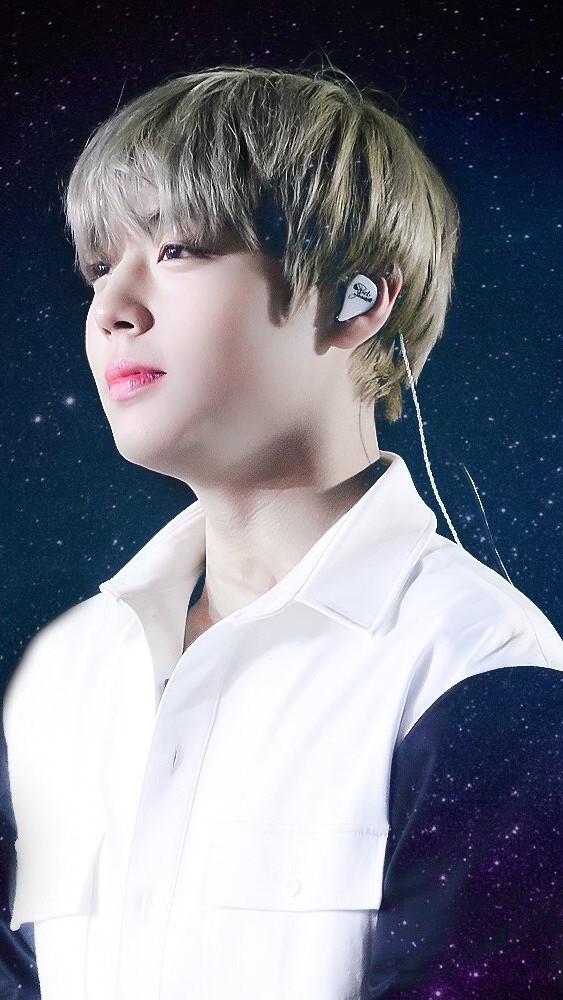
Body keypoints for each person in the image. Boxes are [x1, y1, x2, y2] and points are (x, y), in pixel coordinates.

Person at [3, 67, 563, 1000]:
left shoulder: (481, 676)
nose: (110, 308)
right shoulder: (65, 675)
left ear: (356, 298)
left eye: (177, 249)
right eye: (100, 266)